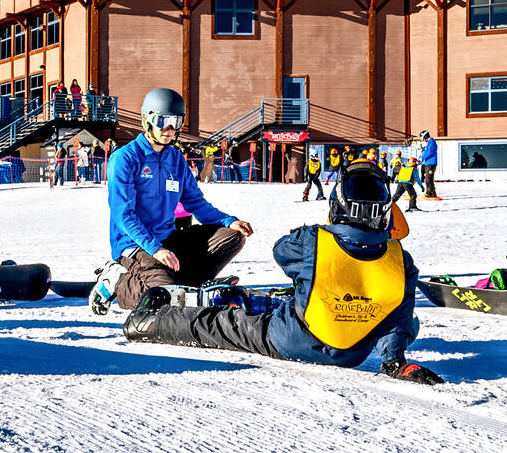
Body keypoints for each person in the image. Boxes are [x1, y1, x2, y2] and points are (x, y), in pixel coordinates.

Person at [123, 161, 442, 385]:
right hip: (350, 354)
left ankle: (149, 322)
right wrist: (396, 362)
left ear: (338, 205)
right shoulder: (403, 261)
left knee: (220, 325)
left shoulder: (315, 241)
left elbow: (281, 251)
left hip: (290, 340)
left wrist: (326, 236)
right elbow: (397, 320)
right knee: (395, 313)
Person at [90, 88, 253, 314]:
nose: (168, 129)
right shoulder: (126, 158)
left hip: (167, 239)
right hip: (134, 245)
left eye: (175, 122)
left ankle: (187, 286)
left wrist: (228, 221)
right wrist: (155, 249)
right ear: (146, 120)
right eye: (162, 121)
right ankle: (118, 281)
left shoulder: (175, 158)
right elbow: (123, 215)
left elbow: (196, 203)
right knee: (163, 294)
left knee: (233, 237)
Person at [419, 130, 438, 200]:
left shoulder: (432, 142)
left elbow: (430, 152)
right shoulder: (429, 143)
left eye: (423, 138)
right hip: (428, 163)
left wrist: (422, 158)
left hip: (431, 163)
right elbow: (426, 152)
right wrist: (420, 158)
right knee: (429, 178)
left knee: (428, 179)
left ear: (425, 136)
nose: (423, 140)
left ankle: (429, 193)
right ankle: (433, 193)